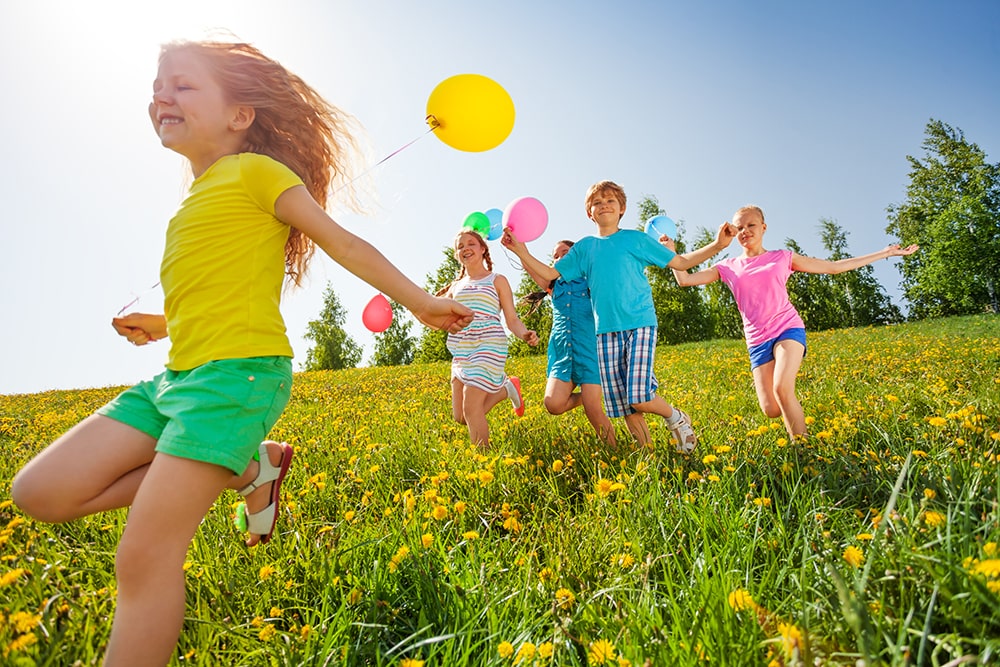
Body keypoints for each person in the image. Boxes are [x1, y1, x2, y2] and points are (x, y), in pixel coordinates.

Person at [10, 40, 472, 667]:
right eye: (157, 84)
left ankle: (240, 468)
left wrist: (419, 301)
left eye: (183, 84)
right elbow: (215, 294)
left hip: (239, 378)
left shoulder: (259, 173)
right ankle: (251, 469)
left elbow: (341, 243)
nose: (161, 95)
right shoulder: (190, 203)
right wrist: (163, 322)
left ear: (240, 115)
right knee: (40, 492)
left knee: (142, 558)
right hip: (176, 380)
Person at [502, 180, 735, 453]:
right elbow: (551, 274)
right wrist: (519, 250)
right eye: (597, 203)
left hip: (639, 323)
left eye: (610, 201)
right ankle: (648, 454)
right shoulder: (585, 248)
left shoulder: (635, 240)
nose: (604, 206)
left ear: (622, 208)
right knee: (625, 404)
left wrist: (718, 245)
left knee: (638, 396)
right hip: (605, 332)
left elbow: (681, 263)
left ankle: (676, 417)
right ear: (589, 212)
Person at [670, 204, 918, 438]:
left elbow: (833, 267)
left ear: (763, 227)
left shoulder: (782, 257)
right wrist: (670, 253)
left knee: (782, 389)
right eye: (739, 228)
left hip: (787, 328)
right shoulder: (728, 266)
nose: (745, 231)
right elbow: (685, 279)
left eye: (751, 225)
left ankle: (803, 451)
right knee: (771, 409)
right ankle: (794, 416)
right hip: (757, 340)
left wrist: (885, 253)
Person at [520, 239, 651, 447]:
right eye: (555, 256)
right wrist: (518, 246)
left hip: (591, 353)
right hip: (563, 355)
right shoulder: (553, 285)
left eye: (565, 252)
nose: (560, 257)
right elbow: (530, 266)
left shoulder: (592, 282)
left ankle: (613, 450)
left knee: (593, 409)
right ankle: (592, 396)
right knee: (553, 404)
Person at [441, 229, 540, 449]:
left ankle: (484, 460)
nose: (465, 248)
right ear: (457, 255)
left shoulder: (497, 280)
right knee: (461, 416)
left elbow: (512, 319)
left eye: (471, 244)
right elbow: (436, 313)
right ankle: (507, 389)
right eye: (460, 246)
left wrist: (524, 333)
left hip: (488, 344)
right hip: (462, 348)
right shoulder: (454, 287)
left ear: (483, 249)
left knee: (471, 406)